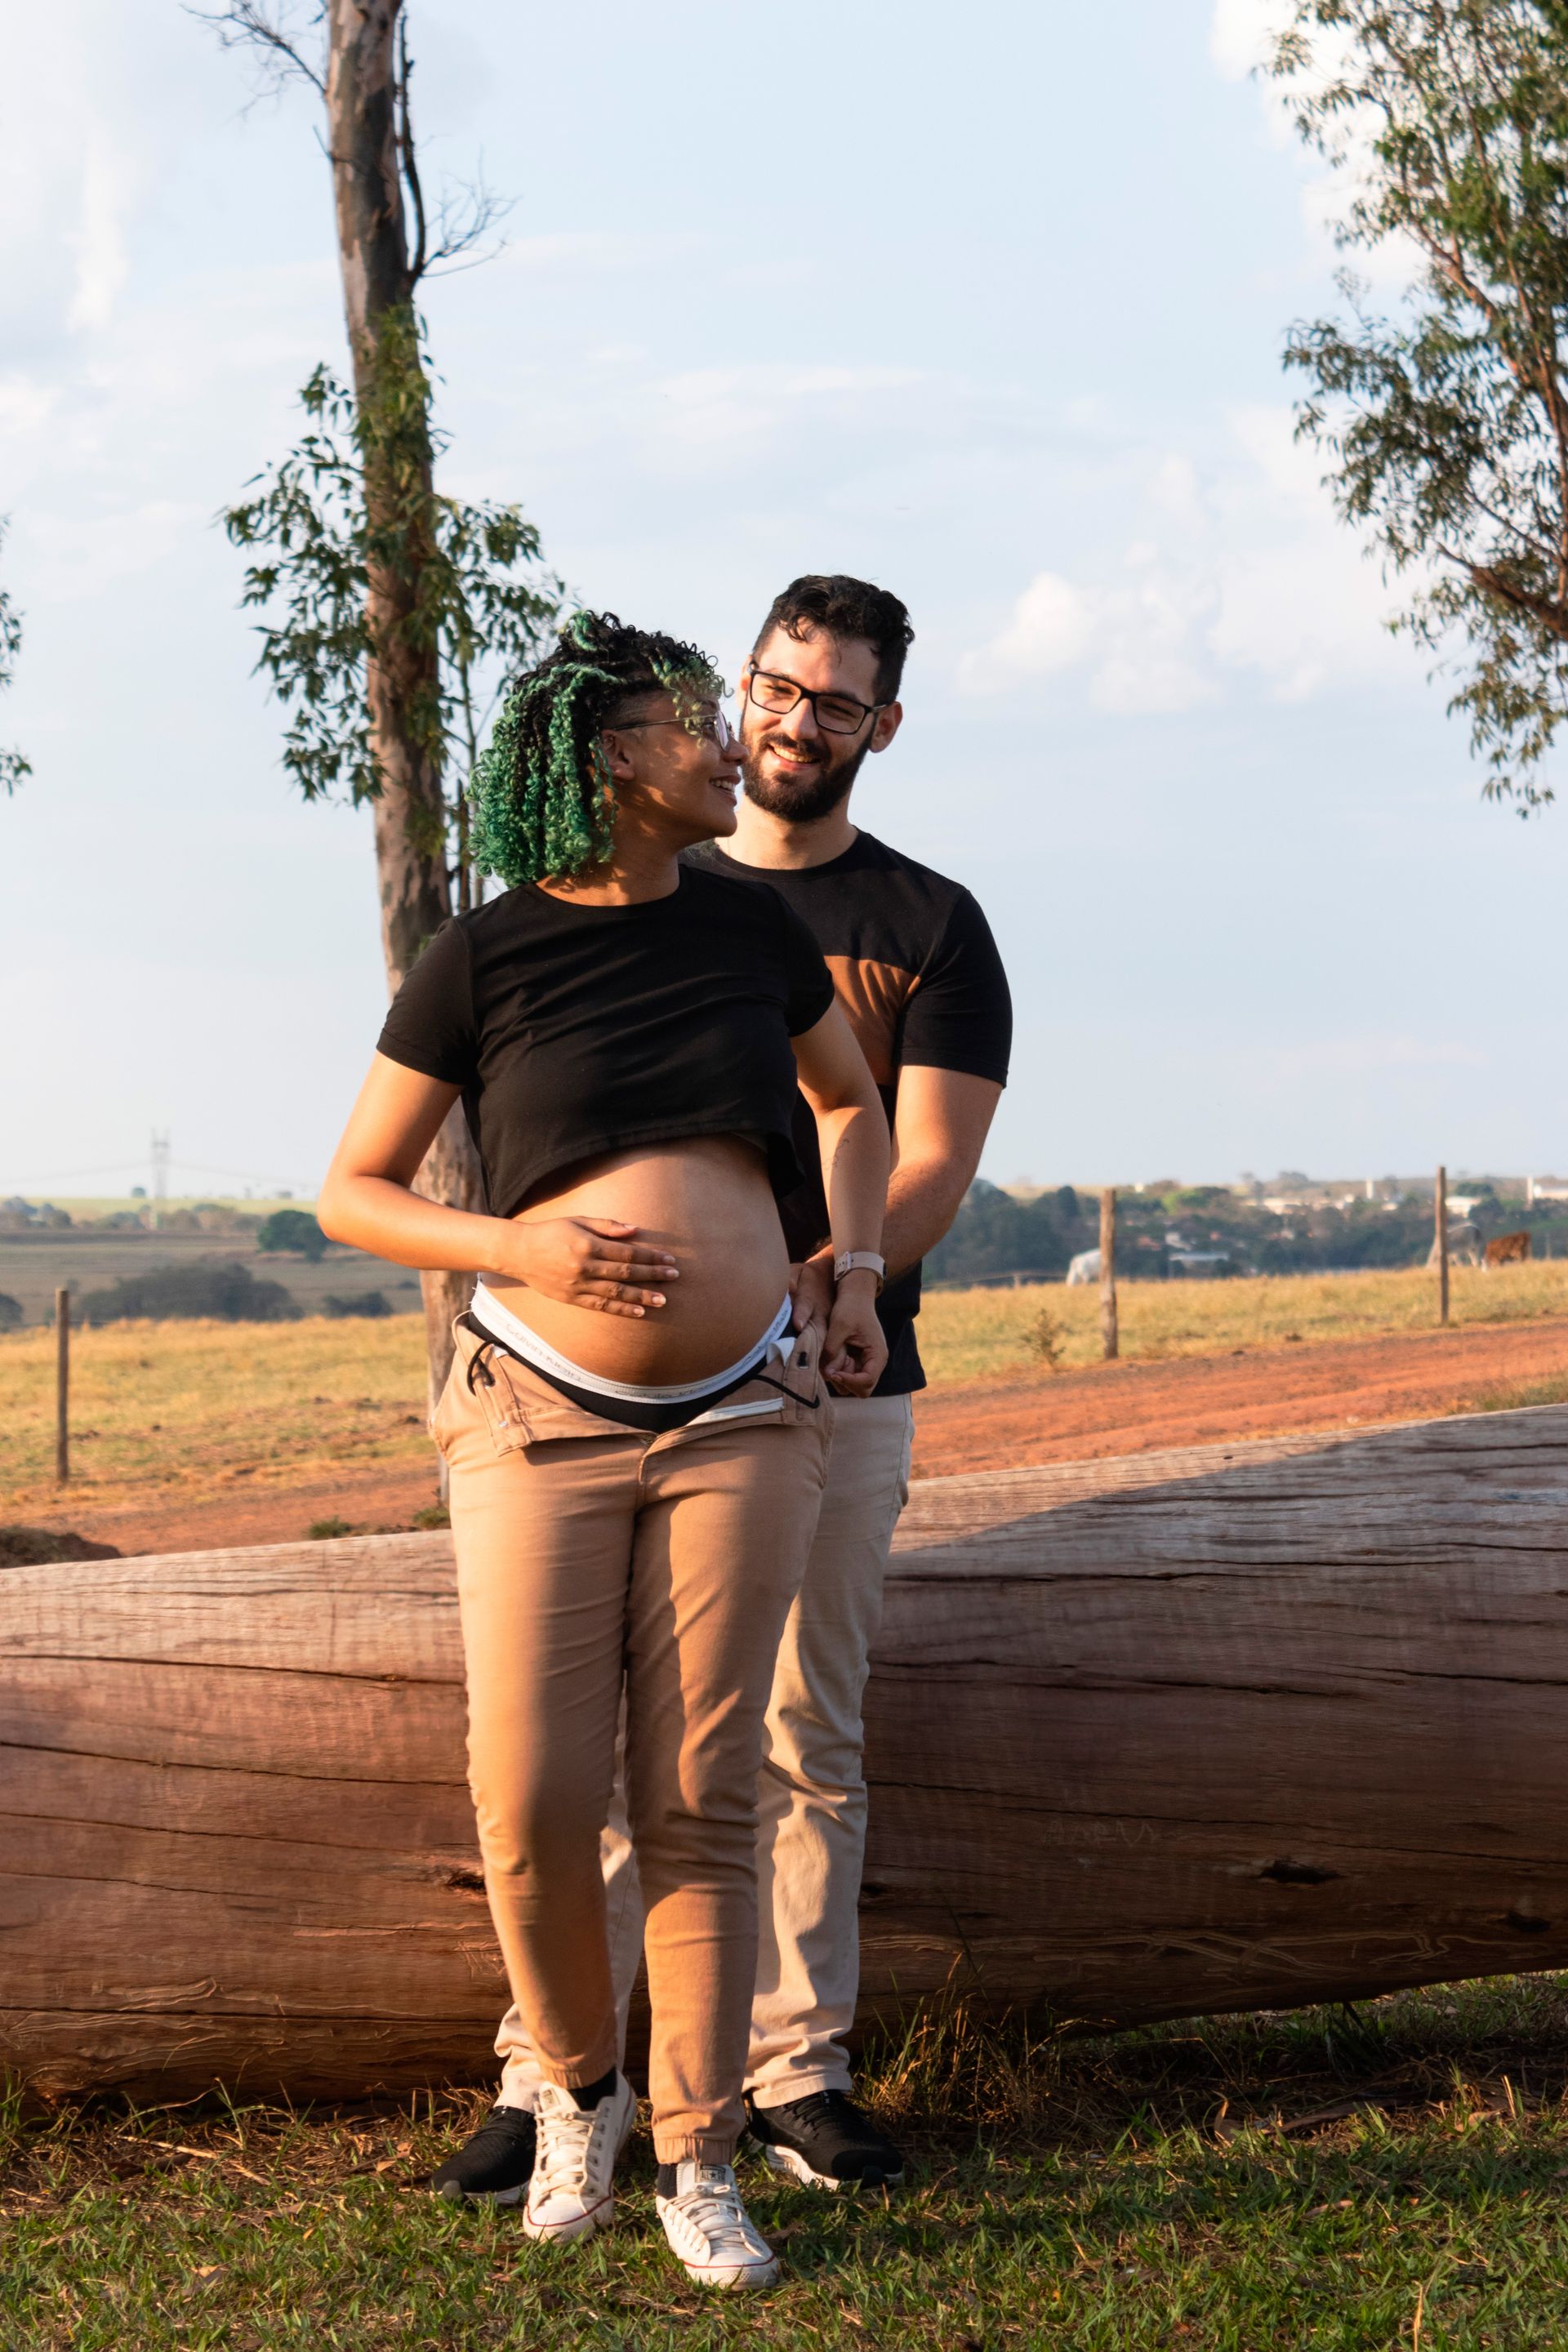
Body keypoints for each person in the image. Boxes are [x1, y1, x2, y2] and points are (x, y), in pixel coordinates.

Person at [317, 611, 891, 2292]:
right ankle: (579, 2093)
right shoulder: (481, 957)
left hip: (743, 1412)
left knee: (706, 1799)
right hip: (536, 1410)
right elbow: (351, 1191)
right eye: (693, 722)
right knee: (532, 1795)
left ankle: (703, 2160)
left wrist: (849, 1272)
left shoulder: (752, 929)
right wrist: (524, 1251)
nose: (732, 745)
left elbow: (848, 1107)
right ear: (607, 764)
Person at [438, 578, 1011, 2199]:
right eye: (772, 688)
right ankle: (557, 2072)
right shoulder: (624, 898)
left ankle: (789, 2077)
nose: (790, 721)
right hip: (589, 1405)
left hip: (828, 1380)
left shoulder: (930, 927)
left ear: (880, 726)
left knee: (796, 1732)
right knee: (597, 1736)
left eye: (834, 703)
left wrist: (833, 1290)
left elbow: (923, 1155)